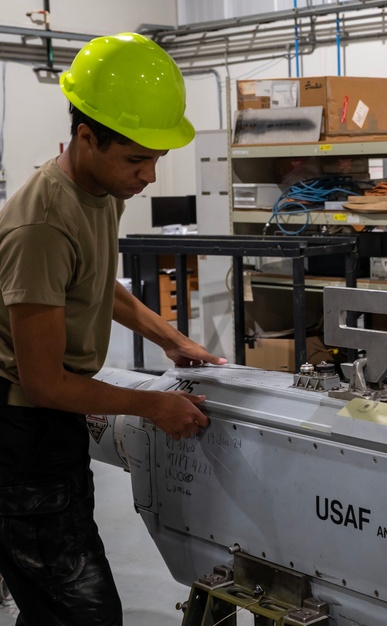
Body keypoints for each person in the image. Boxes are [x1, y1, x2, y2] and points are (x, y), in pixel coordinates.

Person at [0, 32, 227, 625]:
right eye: (137, 159)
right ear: (85, 137)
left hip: (49, 426)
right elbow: (44, 383)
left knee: (51, 601)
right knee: (84, 614)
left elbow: (95, 282)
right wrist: (151, 407)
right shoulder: (41, 225)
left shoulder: (98, 190)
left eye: (156, 158)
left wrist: (171, 339)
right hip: (19, 433)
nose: (150, 176)